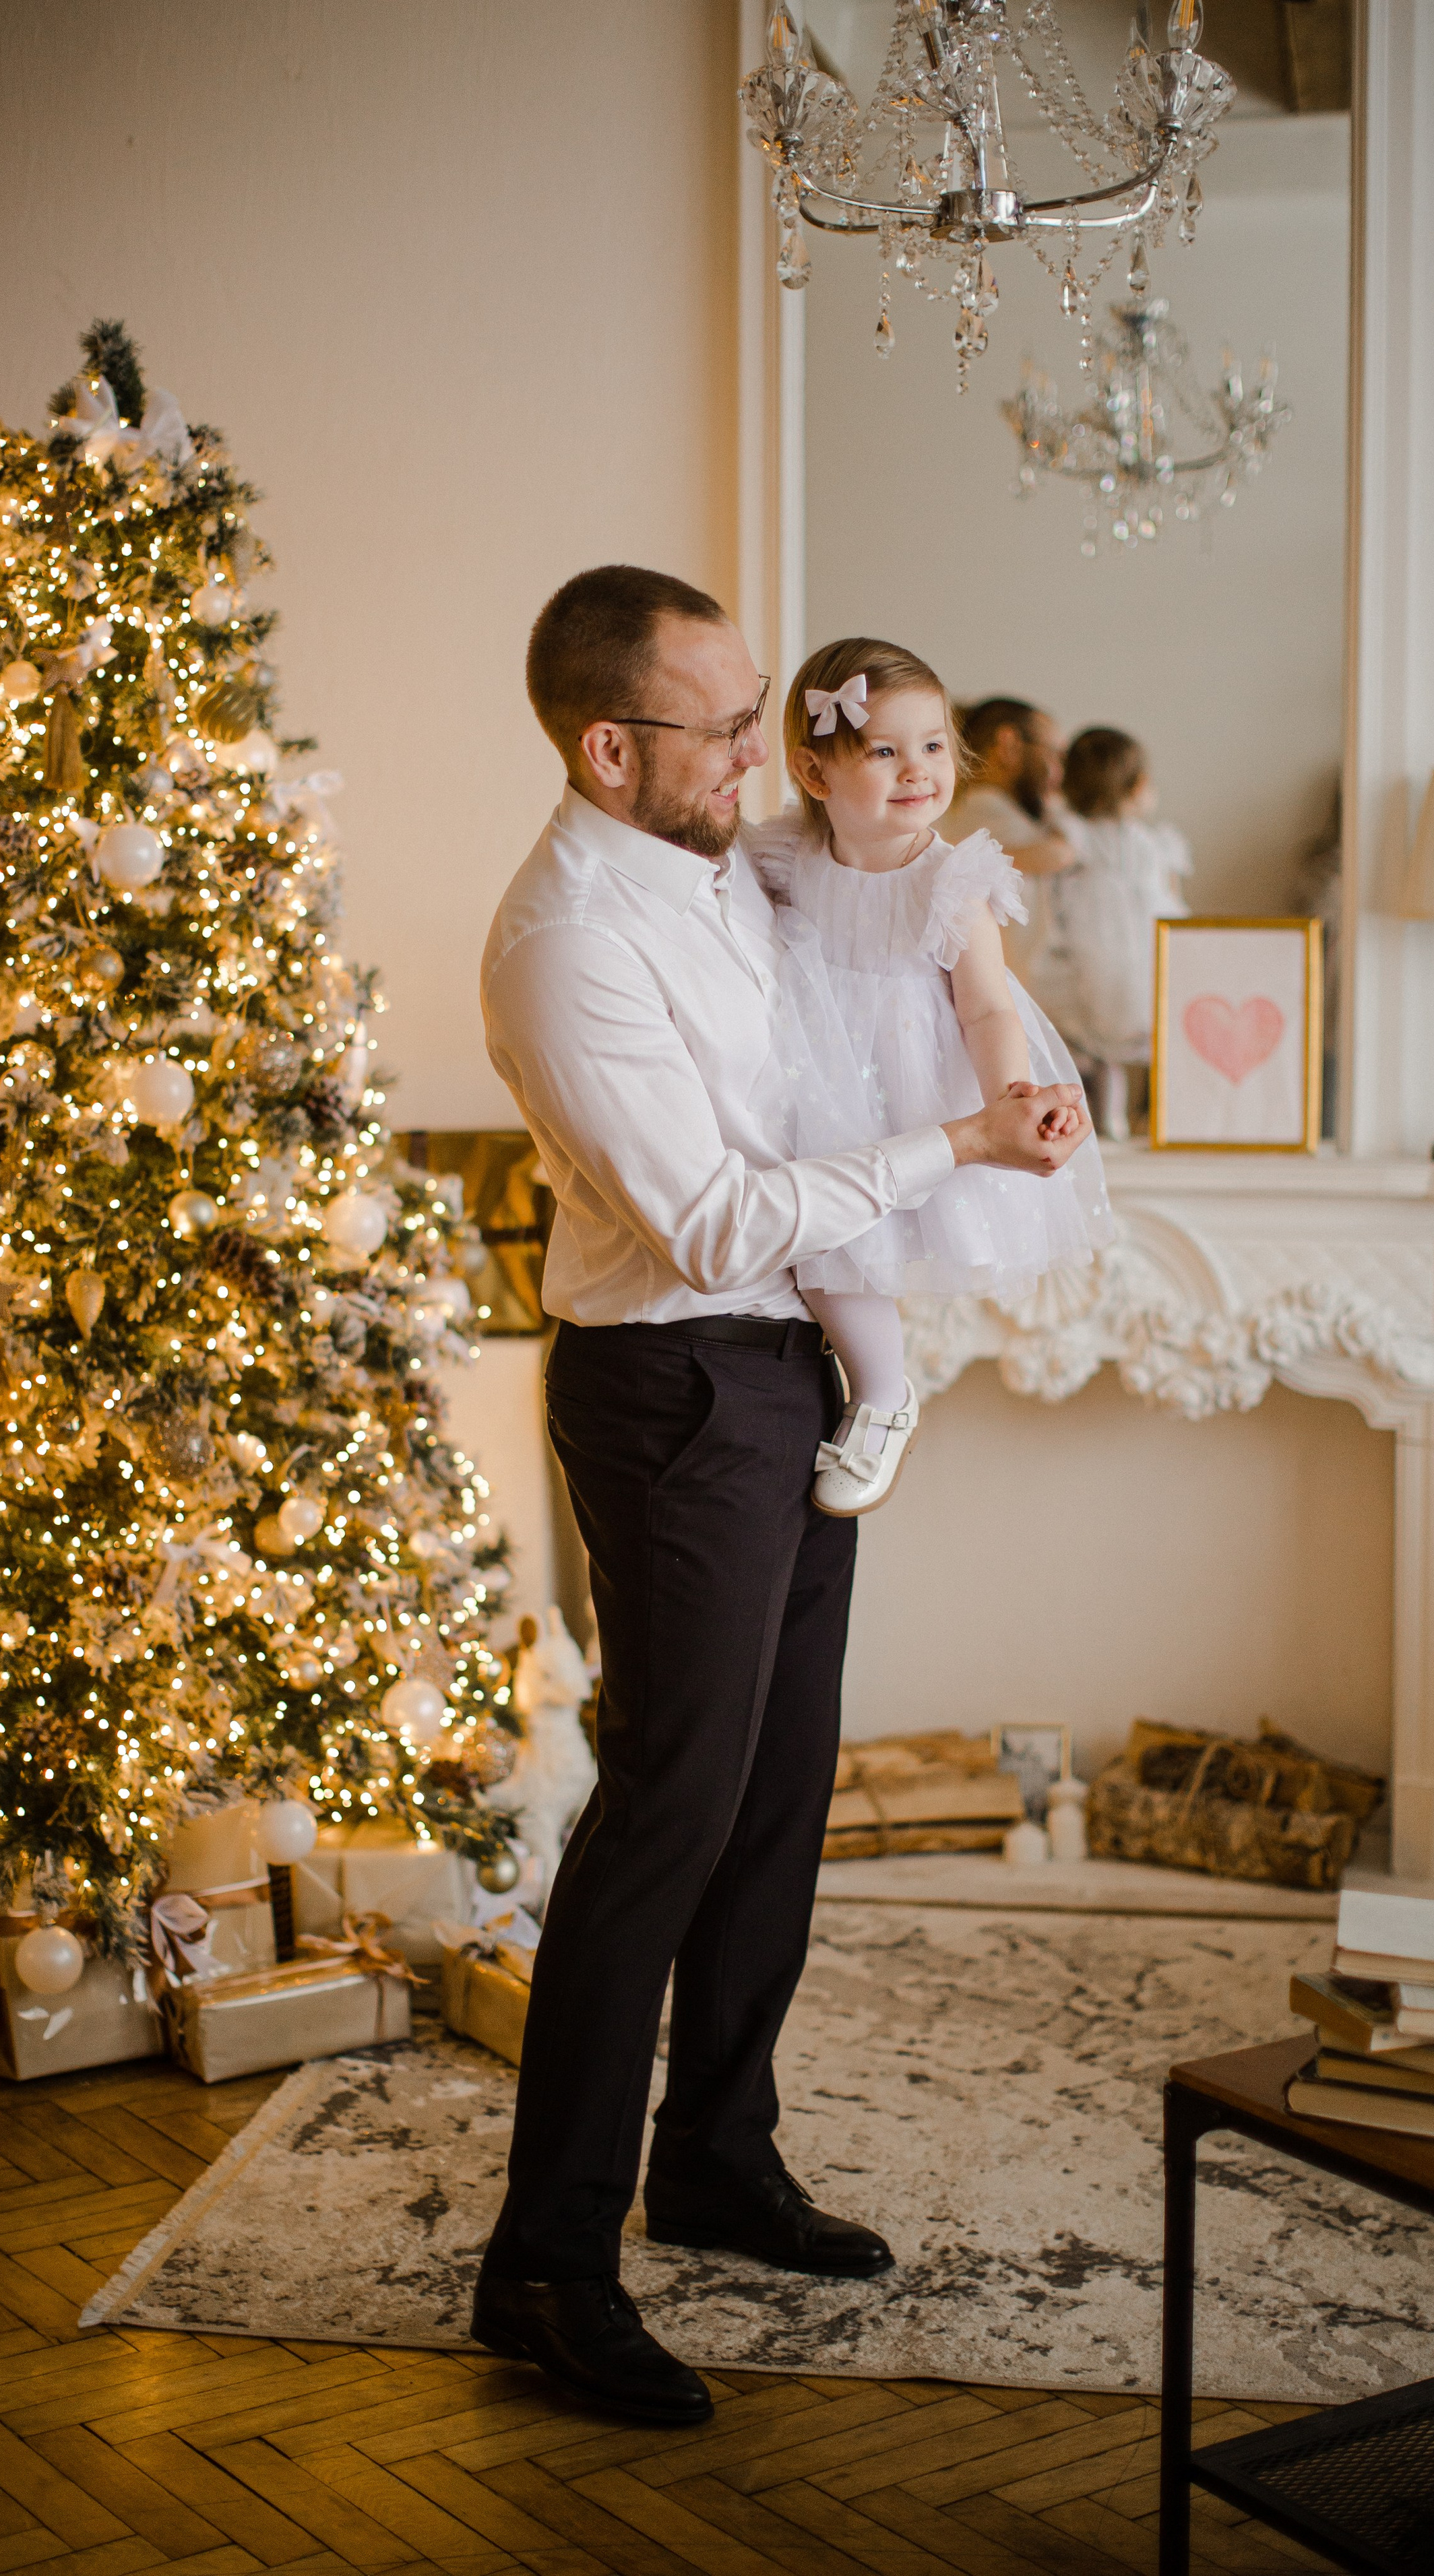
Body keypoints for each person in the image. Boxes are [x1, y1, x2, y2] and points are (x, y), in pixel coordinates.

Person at [476, 565, 1092, 2429]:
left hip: (783, 1373)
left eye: (765, 714)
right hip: (671, 1385)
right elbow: (726, 1218)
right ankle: (547, 2264)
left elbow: (881, 983)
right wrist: (961, 1146)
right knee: (666, 1809)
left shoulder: (731, 864)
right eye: (730, 724)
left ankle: (717, 2160)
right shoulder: (569, 939)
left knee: (775, 1793)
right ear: (610, 745)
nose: (771, 749)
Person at [745, 639, 1113, 1515]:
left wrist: (1010, 1097)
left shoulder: (953, 879)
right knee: (825, 1250)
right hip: (817, 1082)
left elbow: (986, 1007)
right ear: (814, 768)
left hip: (915, 1088)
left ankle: (878, 1396)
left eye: (935, 745)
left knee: (845, 1253)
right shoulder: (787, 858)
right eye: (884, 750)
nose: (919, 770)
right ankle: (882, 1386)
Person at [1037, 724, 1193, 1142]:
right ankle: (1154, 1122)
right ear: (1142, 786)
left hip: (1093, 959)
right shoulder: (1160, 844)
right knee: (1160, 1046)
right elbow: (1175, 907)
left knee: (1094, 1048)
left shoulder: (1073, 835)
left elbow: (1048, 865)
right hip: (1149, 960)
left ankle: (1107, 1125)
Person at [944, 697, 1075, 981]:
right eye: (1054, 755)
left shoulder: (1004, 817)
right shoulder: (987, 815)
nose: (1060, 773)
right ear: (1009, 746)